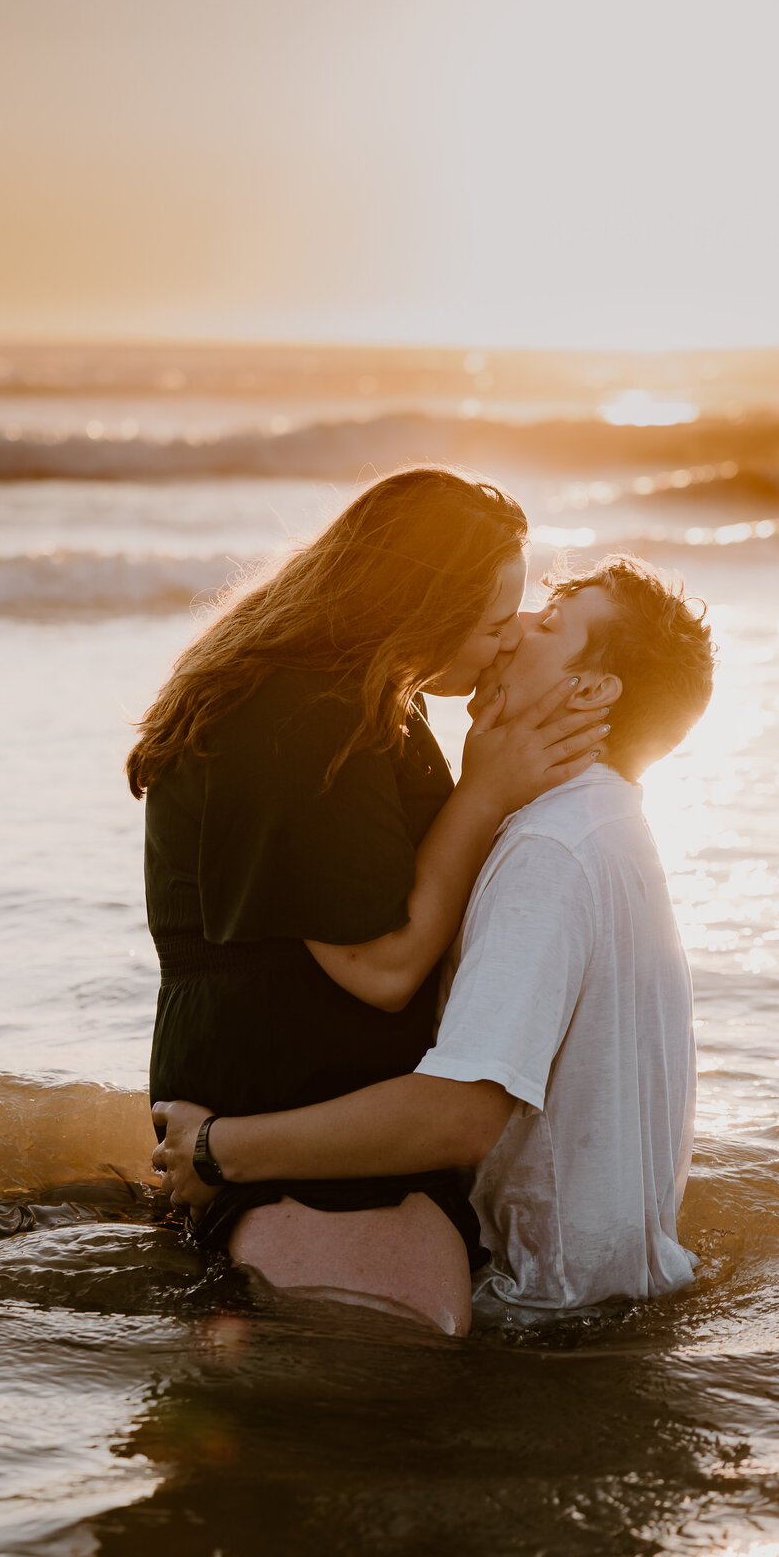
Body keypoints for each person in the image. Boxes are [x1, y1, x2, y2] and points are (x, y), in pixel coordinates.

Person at [154, 554, 716, 1323]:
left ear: (589, 690)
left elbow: (459, 1116)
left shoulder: (552, 850)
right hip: (611, 1302)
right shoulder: (603, 823)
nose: (513, 630)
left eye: (548, 625)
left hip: (554, 1330)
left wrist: (217, 1151)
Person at [128, 465, 609, 1336]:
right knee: (395, 1373)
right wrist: (483, 793)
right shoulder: (301, 714)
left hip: (306, 1100)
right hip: (291, 1112)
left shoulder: (345, 690)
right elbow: (380, 968)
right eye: (495, 624)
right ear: (417, 611)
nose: (507, 643)